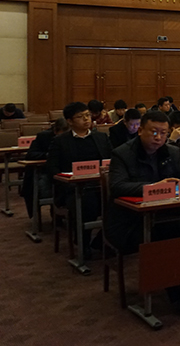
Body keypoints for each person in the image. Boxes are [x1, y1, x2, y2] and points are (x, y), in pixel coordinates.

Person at [106, 110, 180, 315]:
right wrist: (154, 187)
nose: (159, 137)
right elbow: (117, 186)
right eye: (154, 132)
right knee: (169, 236)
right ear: (140, 130)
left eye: (163, 133)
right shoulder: (122, 153)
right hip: (129, 221)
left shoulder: (172, 152)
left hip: (162, 216)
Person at [47, 102, 112, 257]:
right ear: (69, 121)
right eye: (80, 117)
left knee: (120, 203)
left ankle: (102, 241)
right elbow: (52, 169)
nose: (86, 119)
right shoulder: (60, 141)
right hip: (73, 189)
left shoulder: (101, 137)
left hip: (100, 185)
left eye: (88, 115)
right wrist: (67, 181)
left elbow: (112, 161)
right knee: (88, 203)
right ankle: (83, 243)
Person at [21, 118, 69, 217]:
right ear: (55, 131)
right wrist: (49, 155)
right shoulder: (43, 137)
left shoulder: (71, 138)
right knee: (49, 185)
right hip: (44, 171)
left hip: (64, 171)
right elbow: (30, 155)